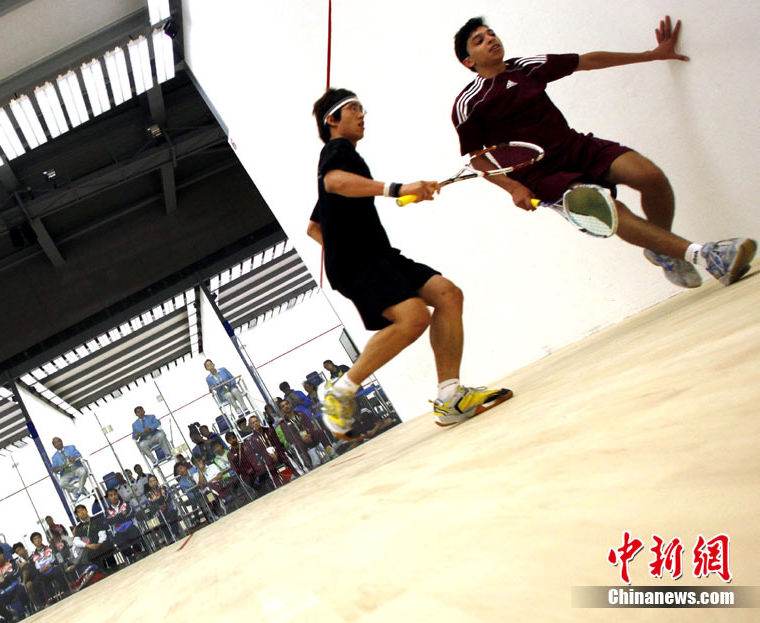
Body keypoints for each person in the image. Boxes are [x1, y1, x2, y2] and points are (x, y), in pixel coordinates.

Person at [452, 15, 755, 288]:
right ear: (468, 61)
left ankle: (664, 251)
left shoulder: (526, 66)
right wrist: (513, 188)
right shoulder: (469, 103)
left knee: (650, 176)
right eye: (479, 40)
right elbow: (476, 158)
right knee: (609, 210)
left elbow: (588, 61)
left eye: (491, 34)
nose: (490, 39)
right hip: (541, 174)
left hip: (575, 146)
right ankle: (707, 255)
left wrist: (653, 54)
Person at [309, 88, 513, 437]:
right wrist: (398, 189)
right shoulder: (337, 150)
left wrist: (347, 238)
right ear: (332, 119)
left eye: (362, 108)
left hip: (378, 256)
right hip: (360, 261)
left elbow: (315, 227)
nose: (362, 114)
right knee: (414, 318)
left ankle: (450, 398)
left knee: (448, 294)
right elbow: (334, 181)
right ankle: (340, 391)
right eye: (353, 108)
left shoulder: (347, 160)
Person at [0, 545, 30, 621]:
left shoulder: (11, 562)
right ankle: (10, 618)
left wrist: (4, 579)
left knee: (21, 591)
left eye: (0, 554)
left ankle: (28, 609)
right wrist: (8, 579)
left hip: (15, 587)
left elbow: (16, 573)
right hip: (4, 592)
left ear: (3, 554)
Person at [50, 437, 89, 502]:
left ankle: (80, 490)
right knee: (61, 483)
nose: (58, 443)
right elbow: (56, 469)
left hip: (76, 468)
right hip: (66, 473)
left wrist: (74, 458)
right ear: (54, 446)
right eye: (56, 443)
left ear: (62, 441)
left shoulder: (71, 447)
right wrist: (54, 469)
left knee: (83, 471)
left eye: (59, 441)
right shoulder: (54, 457)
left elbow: (79, 455)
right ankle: (79, 491)